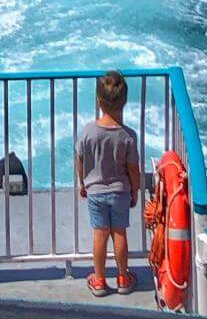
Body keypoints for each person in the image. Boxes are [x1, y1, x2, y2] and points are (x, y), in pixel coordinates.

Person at [75, 70, 141, 297]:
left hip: (95, 192)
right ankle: (123, 277)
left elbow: (80, 159)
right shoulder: (128, 135)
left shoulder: (88, 132)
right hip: (120, 192)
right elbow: (133, 168)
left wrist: (82, 183)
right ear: (124, 101)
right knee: (119, 233)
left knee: (100, 233)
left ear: (98, 101)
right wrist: (135, 190)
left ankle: (99, 280)